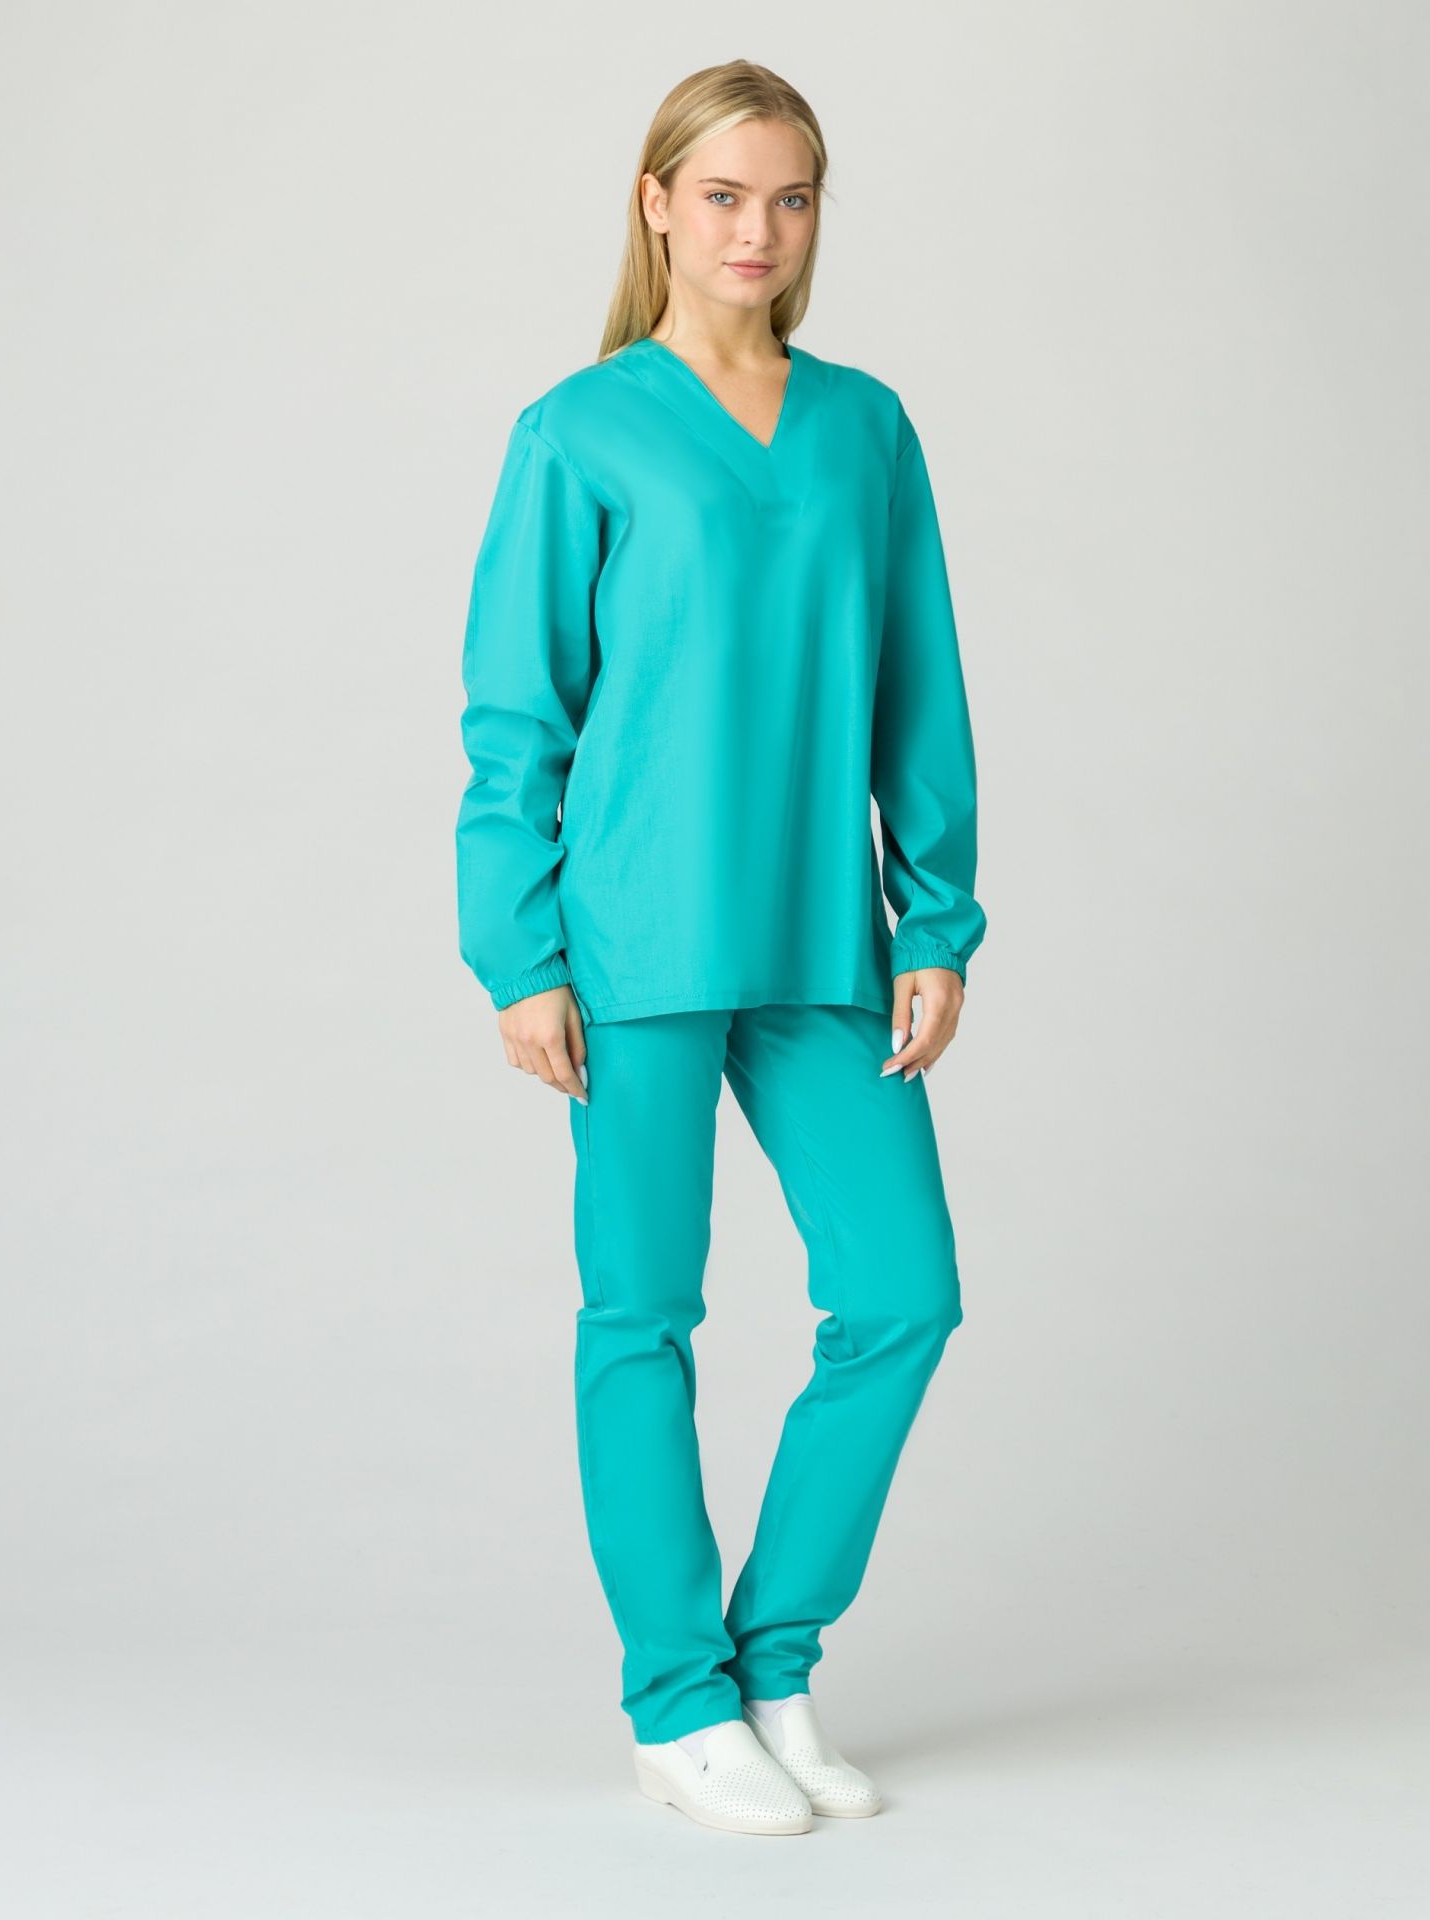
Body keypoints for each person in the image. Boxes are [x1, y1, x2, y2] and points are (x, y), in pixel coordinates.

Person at [454, 59, 988, 1837]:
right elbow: (517, 721)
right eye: (726, 195)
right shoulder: (579, 431)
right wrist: (519, 952)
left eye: (793, 198)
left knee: (902, 1292)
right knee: (644, 1313)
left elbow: (918, 687)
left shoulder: (865, 429)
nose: (760, 231)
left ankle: (772, 1661)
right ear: (658, 206)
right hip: (633, 941)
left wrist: (936, 913)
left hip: (825, 939)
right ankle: (677, 1701)